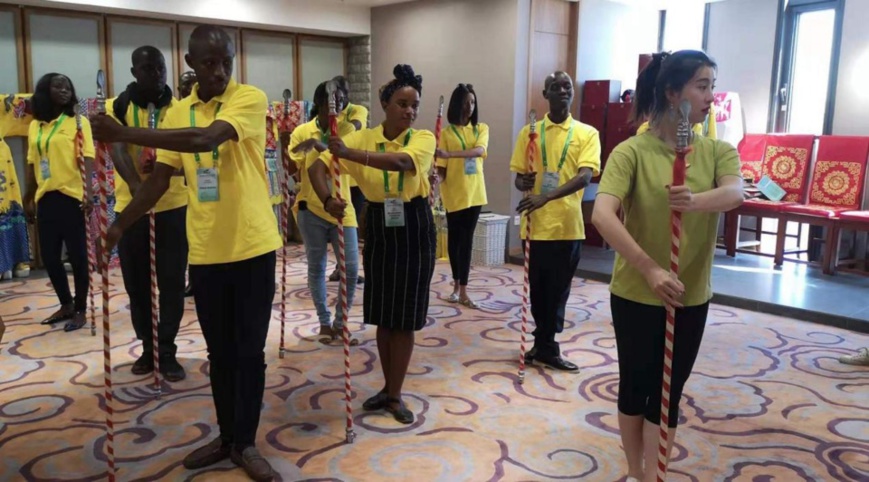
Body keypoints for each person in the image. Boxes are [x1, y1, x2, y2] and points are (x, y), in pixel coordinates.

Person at [90, 25, 282, 481]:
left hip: (254, 246)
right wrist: (118, 226)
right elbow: (160, 179)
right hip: (207, 252)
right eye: (209, 63)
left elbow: (205, 140)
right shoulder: (178, 110)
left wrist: (127, 133)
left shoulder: (248, 98)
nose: (218, 72)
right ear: (191, 65)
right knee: (219, 352)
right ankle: (227, 436)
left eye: (225, 62)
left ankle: (247, 443)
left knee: (249, 351)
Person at [592, 50, 743, 482]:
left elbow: (735, 194)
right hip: (637, 293)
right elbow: (603, 215)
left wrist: (694, 201)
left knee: (668, 392)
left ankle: (655, 475)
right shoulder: (631, 152)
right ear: (672, 92)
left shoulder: (717, 151)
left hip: (690, 295)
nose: (710, 96)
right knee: (636, 387)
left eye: (712, 85)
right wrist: (650, 269)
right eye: (701, 85)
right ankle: (637, 471)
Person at [308, 64, 435, 424]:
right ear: (385, 104)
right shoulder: (364, 137)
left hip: (413, 224)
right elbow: (317, 168)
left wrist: (350, 155)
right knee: (383, 313)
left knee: (405, 316)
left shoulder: (423, 139)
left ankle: (396, 393)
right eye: (402, 103)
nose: (409, 111)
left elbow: (401, 162)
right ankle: (387, 388)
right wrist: (328, 199)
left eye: (414, 105)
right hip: (379, 222)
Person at [510, 71, 600, 372]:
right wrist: (524, 180)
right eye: (556, 87)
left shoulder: (587, 133)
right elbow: (518, 178)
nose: (563, 91)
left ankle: (547, 343)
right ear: (545, 94)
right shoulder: (530, 133)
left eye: (567, 87)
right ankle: (544, 342)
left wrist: (546, 197)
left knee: (558, 290)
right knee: (537, 289)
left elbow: (585, 176)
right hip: (534, 226)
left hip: (566, 226)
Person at [107, 46, 188, 381]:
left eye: (160, 67)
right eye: (148, 68)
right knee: (137, 285)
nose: (156, 74)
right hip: (131, 209)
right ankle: (147, 346)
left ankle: (166, 349)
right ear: (134, 72)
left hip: (173, 207)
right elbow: (117, 148)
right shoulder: (118, 106)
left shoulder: (179, 108)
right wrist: (136, 186)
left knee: (171, 283)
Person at [289, 81, 359, 344]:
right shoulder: (302, 130)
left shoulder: (348, 129)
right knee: (316, 267)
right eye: (332, 99)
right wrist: (298, 144)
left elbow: (348, 159)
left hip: (343, 208)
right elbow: (293, 162)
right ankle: (323, 323)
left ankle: (341, 322)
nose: (337, 104)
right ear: (320, 102)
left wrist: (321, 146)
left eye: (341, 99)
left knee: (350, 268)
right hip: (311, 209)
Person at [23, 73, 94, 332]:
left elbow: (87, 157)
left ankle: (81, 308)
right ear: (44, 91)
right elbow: (32, 162)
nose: (64, 90)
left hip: (73, 196)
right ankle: (65, 303)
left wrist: (89, 193)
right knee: (50, 257)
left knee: (77, 258)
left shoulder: (77, 122)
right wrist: (28, 195)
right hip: (46, 197)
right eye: (57, 86)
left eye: (67, 86)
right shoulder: (35, 125)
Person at [435, 83, 489, 309]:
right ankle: (456, 287)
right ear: (457, 105)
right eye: (466, 102)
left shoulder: (481, 129)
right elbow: (442, 169)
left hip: (475, 194)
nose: (470, 107)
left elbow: (479, 151)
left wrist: (450, 153)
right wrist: (433, 181)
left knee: (466, 241)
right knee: (454, 242)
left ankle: (465, 290)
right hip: (454, 194)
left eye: (473, 102)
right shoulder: (446, 133)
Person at [329, 75, 366, 284]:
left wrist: (334, 126)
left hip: (355, 180)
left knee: (351, 225)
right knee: (337, 224)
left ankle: (350, 266)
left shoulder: (356, 110)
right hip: (337, 177)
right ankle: (339, 266)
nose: (338, 98)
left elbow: (355, 126)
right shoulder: (330, 112)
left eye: (341, 94)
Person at [0, 93, 32, 280]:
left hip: (2, 165)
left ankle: (12, 260)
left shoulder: (3, 103)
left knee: (7, 209)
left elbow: (35, 104)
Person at [178, 70, 197, 298]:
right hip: (177, 194)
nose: (189, 90)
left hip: (204, 190)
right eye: (185, 86)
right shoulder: (174, 114)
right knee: (184, 243)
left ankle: (195, 280)